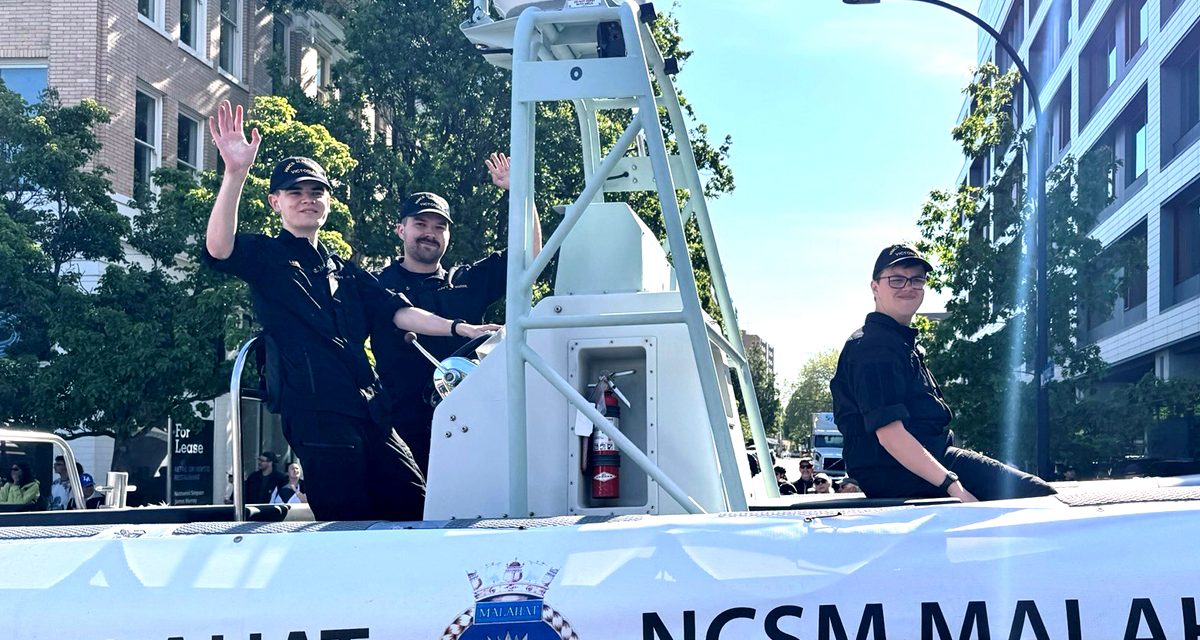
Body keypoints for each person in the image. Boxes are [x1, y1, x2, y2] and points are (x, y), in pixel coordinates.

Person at [202, 101, 497, 521]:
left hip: (369, 407)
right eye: (295, 193)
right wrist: (235, 173)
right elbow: (219, 248)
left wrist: (461, 328)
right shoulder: (265, 256)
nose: (307, 200)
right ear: (275, 202)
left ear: (327, 202)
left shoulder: (344, 268)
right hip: (317, 413)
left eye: (316, 192)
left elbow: (399, 311)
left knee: (415, 505)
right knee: (347, 520)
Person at [829, 244, 1056, 502]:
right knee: (1039, 499)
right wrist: (953, 486)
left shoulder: (896, 342)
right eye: (896, 279)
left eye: (917, 279)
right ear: (875, 287)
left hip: (922, 464)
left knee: (1036, 498)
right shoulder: (875, 347)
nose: (908, 287)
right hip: (901, 473)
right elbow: (890, 434)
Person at [373, 152, 542, 475]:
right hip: (399, 431)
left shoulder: (466, 281)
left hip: (469, 425)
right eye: (420, 224)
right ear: (400, 230)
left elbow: (530, 255)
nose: (430, 233)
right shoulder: (378, 283)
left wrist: (521, 191)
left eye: (439, 227)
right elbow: (402, 313)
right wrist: (463, 328)